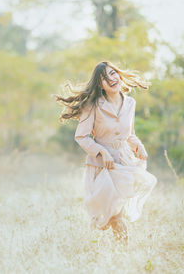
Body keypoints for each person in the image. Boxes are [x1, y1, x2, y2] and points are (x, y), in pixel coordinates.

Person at [55, 61, 157, 244]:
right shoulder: (92, 105)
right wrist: (101, 151)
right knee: (112, 216)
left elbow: (129, 134)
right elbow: (82, 136)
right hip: (103, 166)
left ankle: (105, 249)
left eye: (113, 73)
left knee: (115, 213)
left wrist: (139, 146)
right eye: (104, 78)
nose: (111, 79)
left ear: (119, 75)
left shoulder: (130, 103)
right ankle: (109, 252)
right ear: (99, 85)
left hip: (124, 163)